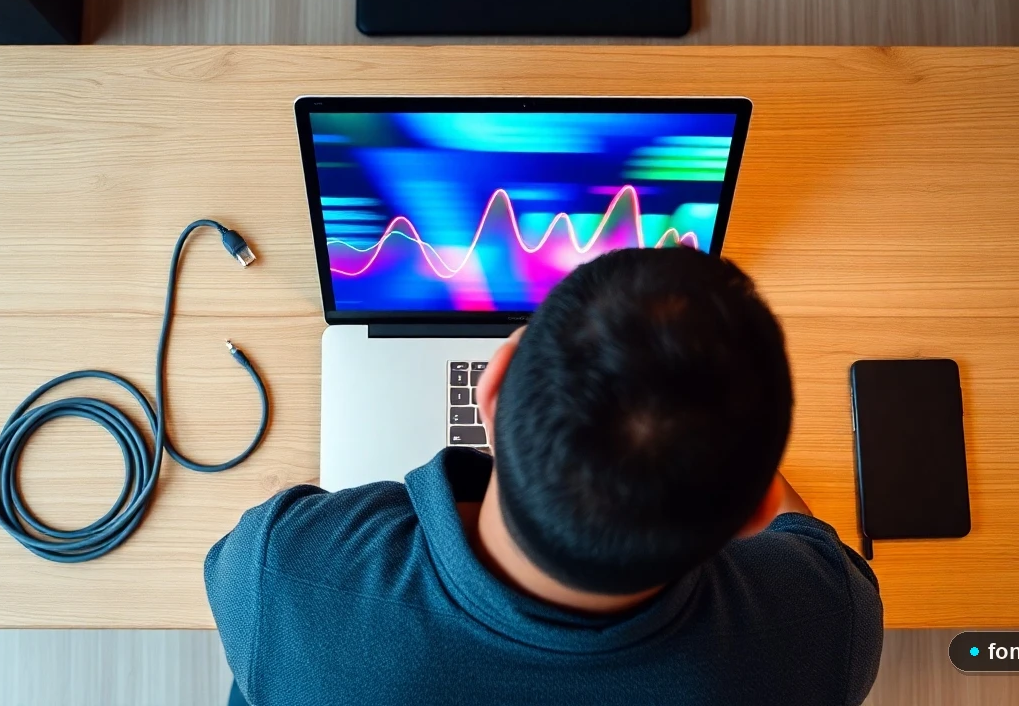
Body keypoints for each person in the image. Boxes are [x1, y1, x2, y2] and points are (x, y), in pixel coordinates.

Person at [206, 248, 883, 706]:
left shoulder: (287, 571)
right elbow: (806, 532)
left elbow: (230, 565)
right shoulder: (822, 624)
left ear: (491, 389)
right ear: (750, 511)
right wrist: (711, 441)